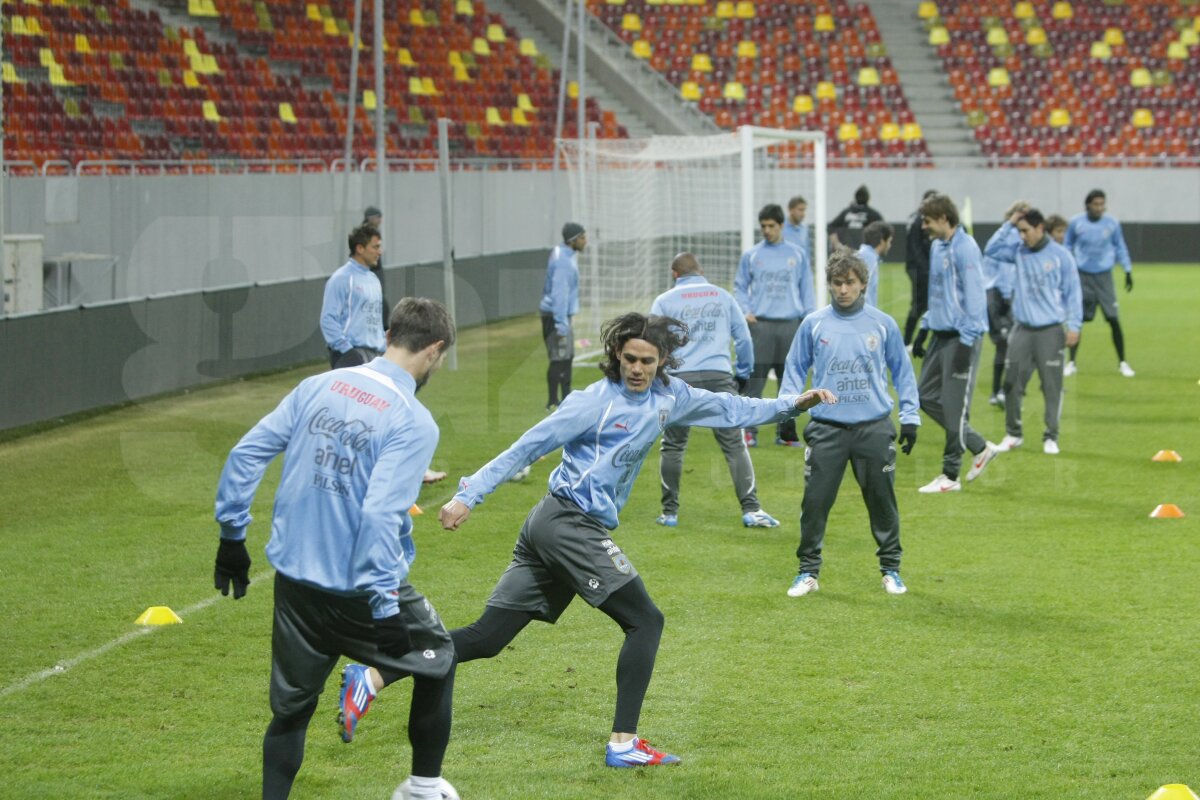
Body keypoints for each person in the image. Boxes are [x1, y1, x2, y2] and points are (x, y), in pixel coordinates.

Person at [437, 312, 835, 768]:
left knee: (488, 638)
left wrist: (793, 405)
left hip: (555, 525)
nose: (637, 369)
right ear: (616, 356)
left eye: (647, 360)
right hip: (568, 522)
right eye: (629, 359)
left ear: (663, 360)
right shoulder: (594, 401)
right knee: (646, 620)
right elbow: (529, 445)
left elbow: (734, 409)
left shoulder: (672, 395)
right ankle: (623, 744)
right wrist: (469, 495)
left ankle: (376, 672)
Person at [213, 297, 460, 800]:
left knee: (291, 712)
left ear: (389, 333)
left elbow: (247, 453)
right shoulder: (413, 420)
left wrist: (232, 537)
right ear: (434, 350)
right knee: (439, 655)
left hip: (295, 587)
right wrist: (386, 606)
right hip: (359, 590)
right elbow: (378, 516)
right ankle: (421, 788)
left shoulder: (317, 386)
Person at [781, 249, 920, 597]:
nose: (843, 289)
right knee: (814, 503)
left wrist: (910, 417)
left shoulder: (882, 324)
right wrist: (786, 409)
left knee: (882, 503)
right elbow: (794, 368)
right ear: (829, 284)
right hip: (826, 430)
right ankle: (807, 572)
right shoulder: (814, 323)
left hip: (873, 428)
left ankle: (891, 569)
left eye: (850, 283)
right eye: (837, 283)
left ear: (863, 284)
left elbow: (903, 372)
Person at [649, 252, 780, 529]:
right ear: (701, 269)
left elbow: (652, 344)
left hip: (678, 380)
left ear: (675, 274)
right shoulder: (722, 295)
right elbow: (743, 338)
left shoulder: (664, 301)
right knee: (733, 443)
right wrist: (743, 373)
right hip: (718, 376)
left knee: (673, 445)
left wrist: (659, 378)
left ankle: (669, 513)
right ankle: (751, 509)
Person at [915, 193, 1000, 494]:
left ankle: (950, 476)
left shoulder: (967, 248)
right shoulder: (938, 247)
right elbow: (938, 293)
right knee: (922, 396)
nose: (923, 226)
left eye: (927, 220)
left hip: (961, 338)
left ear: (943, 219)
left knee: (953, 408)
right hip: (940, 334)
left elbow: (976, 298)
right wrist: (925, 326)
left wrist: (966, 342)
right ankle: (980, 446)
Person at [984, 209, 1082, 455]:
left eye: (1025, 231)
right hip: (1022, 330)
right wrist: (1009, 224)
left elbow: (1074, 292)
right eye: (1019, 231)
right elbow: (991, 250)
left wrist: (1075, 326)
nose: (1022, 236)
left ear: (1040, 229)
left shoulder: (1061, 256)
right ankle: (1013, 434)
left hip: (1050, 330)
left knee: (1051, 386)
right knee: (1011, 383)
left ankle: (1051, 436)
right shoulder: (1018, 252)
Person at [734, 203, 816, 447]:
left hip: (790, 325)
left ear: (781, 226)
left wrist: (809, 319)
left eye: (771, 226)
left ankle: (786, 434)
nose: (767, 230)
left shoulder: (797, 254)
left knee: (789, 382)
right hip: (761, 327)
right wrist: (745, 311)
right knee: (755, 381)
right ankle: (749, 432)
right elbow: (739, 286)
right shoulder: (752, 255)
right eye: (763, 226)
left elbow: (806, 289)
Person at [1063, 189, 1135, 377]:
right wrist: (1068, 268)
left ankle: (1122, 362)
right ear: (1088, 205)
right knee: (1078, 319)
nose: (1099, 208)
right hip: (1083, 276)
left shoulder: (1112, 223)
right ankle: (1071, 362)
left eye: (1102, 204)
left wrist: (1127, 270)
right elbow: (1067, 245)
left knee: (1113, 318)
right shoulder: (1076, 223)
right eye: (1096, 204)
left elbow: (1120, 246)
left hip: (1104, 277)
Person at [981, 200, 1029, 407]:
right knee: (1003, 347)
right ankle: (998, 391)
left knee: (1015, 347)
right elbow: (991, 252)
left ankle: (1005, 392)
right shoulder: (1005, 237)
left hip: (1011, 298)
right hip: (996, 297)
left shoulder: (1023, 237)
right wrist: (1009, 224)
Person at [320, 223, 386, 370]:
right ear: (360, 248)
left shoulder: (374, 279)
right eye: (375, 247)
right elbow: (328, 319)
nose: (380, 252)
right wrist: (347, 351)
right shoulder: (341, 278)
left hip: (375, 356)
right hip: (351, 354)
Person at [540, 222, 586, 410]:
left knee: (566, 357)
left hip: (559, 315)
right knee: (559, 358)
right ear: (573, 240)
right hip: (555, 316)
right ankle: (553, 401)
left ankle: (566, 399)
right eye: (583, 237)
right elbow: (559, 294)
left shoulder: (563, 253)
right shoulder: (563, 262)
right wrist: (561, 324)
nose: (585, 241)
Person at [904, 190, 938, 353]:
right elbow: (916, 248)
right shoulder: (919, 221)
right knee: (919, 305)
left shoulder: (914, 218)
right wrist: (927, 270)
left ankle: (910, 340)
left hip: (915, 266)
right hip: (919, 268)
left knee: (921, 304)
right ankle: (906, 341)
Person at [827, 184, 883, 250]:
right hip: (863, 251)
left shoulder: (846, 213)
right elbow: (883, 229)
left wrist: (837, 244)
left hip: (847, 252)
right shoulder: (872, 214)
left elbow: (830, 227)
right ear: (868, 198)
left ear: (855, 197)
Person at [855, 220, 893, 307]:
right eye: (889, 241)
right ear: (882, 240)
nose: (890, 245)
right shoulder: (868, 258)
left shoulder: (866, 255)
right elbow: (860, 291)